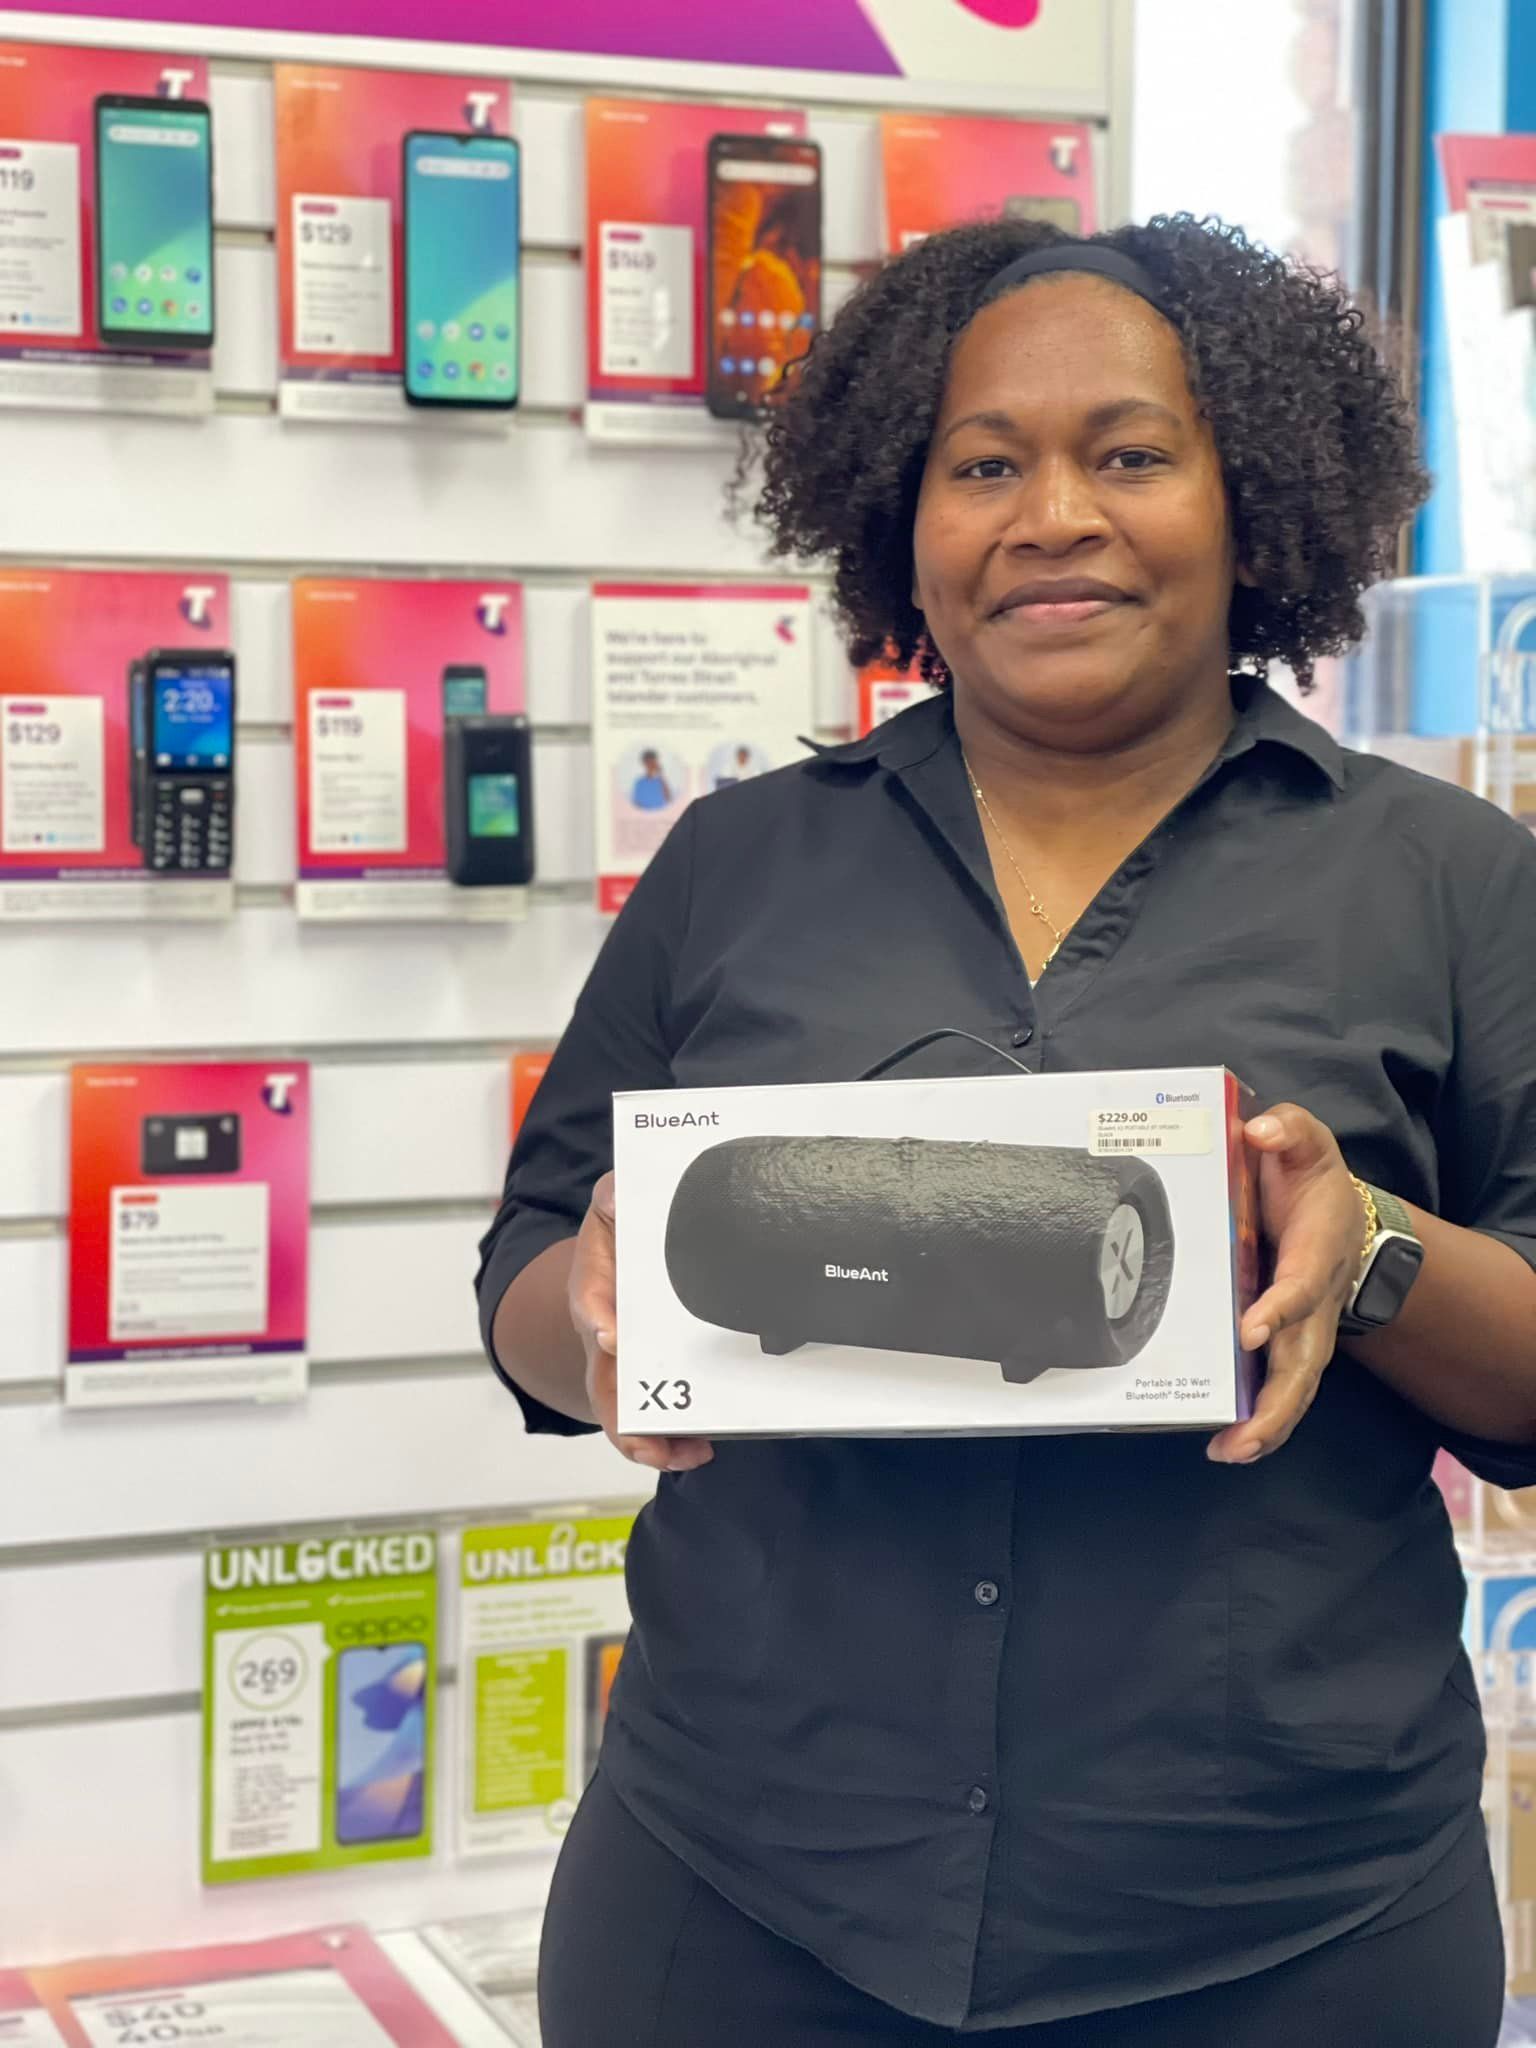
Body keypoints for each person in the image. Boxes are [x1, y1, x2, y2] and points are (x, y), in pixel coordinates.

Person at [477, 216, 1536, 2046]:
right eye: (983, 467)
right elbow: (530, 1275)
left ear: (1254, 506)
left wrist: (1364, 1248)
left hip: (1284, 1925)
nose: (1052, 517)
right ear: (901, 521)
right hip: (746, 1896)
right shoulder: (739, 864)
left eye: (1130, 456)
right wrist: (591, 1311)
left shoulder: (1449, 880)